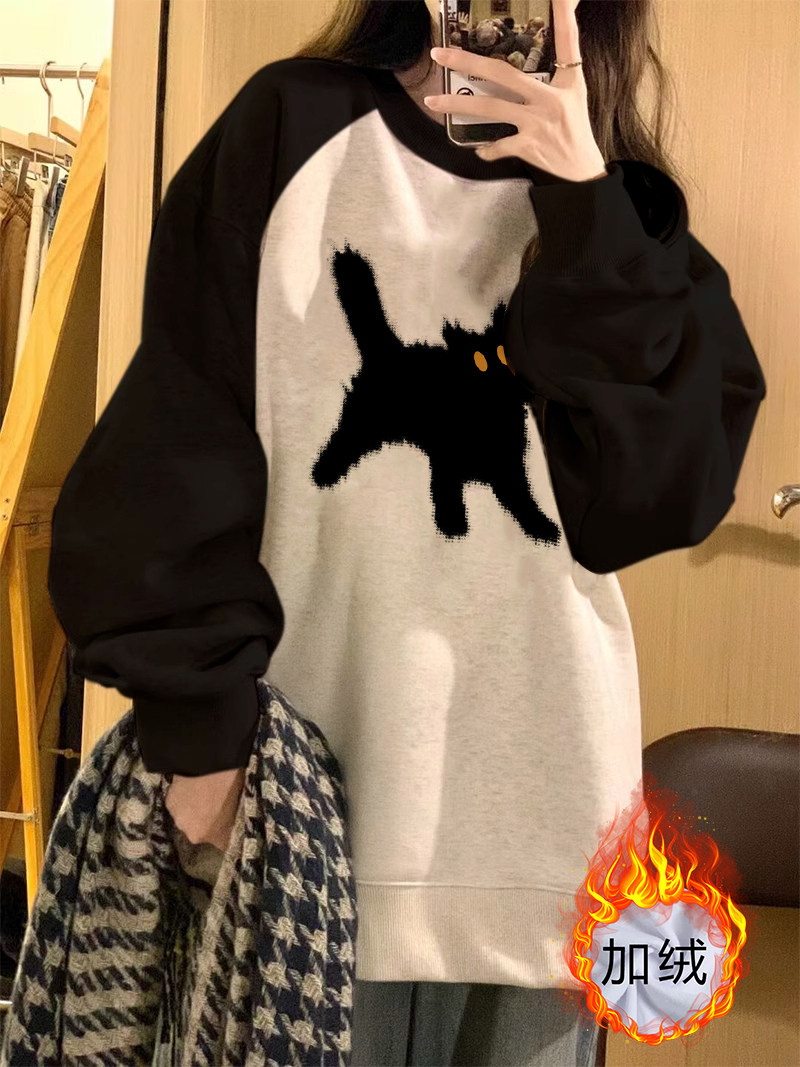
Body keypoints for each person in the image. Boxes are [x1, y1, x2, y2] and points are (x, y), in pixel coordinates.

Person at [46, 1, 766, 1065]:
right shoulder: (290, 128)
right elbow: (175, 443)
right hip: (303, 820)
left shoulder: (624, 212)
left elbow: (651, 501)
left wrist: (583, 200)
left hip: (553, 837)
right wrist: (198, 733)